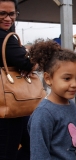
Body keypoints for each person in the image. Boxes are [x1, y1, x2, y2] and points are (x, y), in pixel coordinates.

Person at [27, 39, 76, 160]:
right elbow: (39, 155)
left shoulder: (71, 105)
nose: (75, 84)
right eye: (67, 78)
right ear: (48, 79)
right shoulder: (43, 114)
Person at [0, 0, 34, 159]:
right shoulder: (3, 38)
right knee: (8, 151)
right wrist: (26, 59)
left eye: (12, 14)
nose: (8, 18)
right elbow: (27, 61)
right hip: (8, 105)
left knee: (31, 144)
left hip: (14, 103)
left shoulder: (7, 37)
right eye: (2, 13)